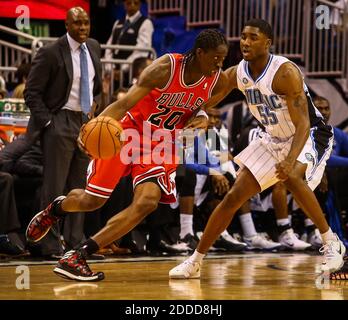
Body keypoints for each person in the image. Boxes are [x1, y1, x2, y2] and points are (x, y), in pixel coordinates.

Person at [26, 29, 229, 281]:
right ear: (200, 52)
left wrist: (201, 118)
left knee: (147, 202)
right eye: (216, 58)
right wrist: (92, 127)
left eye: (223, 59)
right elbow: (123, 105)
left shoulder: (216, 79)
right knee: (92, 200)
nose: (220, 64)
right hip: (128, 133)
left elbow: (199, 107)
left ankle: (77, 255)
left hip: (161, 145)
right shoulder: (166, 68)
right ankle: (57, 209)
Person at [169, 19, 345, 279]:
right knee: (233, 197)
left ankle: (331, 242)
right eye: (242, 37)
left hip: (309, 135)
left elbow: (303, 123)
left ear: (268, 43)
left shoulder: (284, 72)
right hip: (272, 137)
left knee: (293, 176)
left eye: (253, 37)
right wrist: (195, 116)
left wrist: (290, 159)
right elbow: (207, 98)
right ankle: (195, 261)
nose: (245, 42)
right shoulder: (237, 72)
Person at [24, 7, 102, 257]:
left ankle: (75, 243)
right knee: (55, 187)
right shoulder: (50, 52)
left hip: (85, 122)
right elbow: (31, 92)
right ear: (66, 25)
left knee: (81, 186)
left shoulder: (94, 47)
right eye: (77, 23)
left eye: (86, 23)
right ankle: (47, 244)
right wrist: (48, 123)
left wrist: (94, 113)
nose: (82, 28)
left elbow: (96, 86)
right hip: (60, 120)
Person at [104, 0, 154, 87]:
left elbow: (141, 51)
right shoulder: (117, 23)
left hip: (131, 72)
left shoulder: (146, 23)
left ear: (139, 4)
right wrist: (110, 68)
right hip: (114, 71)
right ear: (124, 4)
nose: (132, 6)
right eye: (129, 3)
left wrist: (123, 69)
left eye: (135, 3)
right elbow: (108, 47)